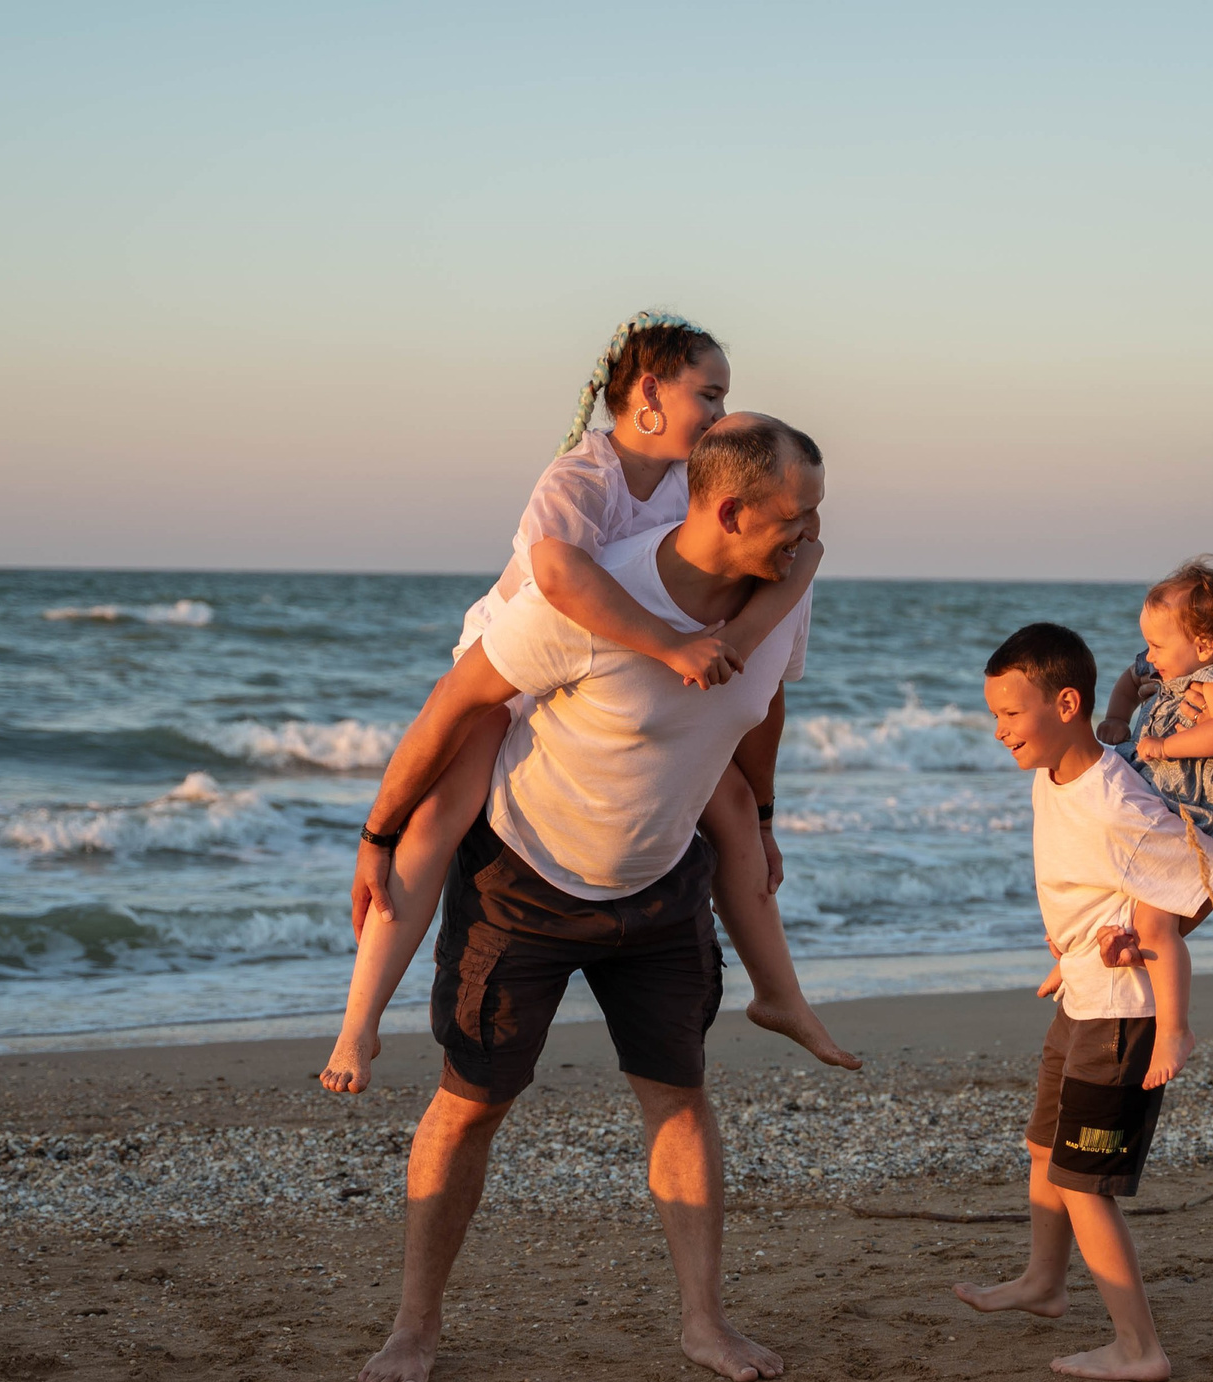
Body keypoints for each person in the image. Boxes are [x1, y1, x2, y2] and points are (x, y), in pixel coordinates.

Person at [351, 414, 826, 1382]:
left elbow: (763, 703)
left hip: (662, 885)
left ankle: (703, 1322)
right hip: (523, 881)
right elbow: (454, 703)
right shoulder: (593, 596)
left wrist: (762, 813)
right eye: (795, 515)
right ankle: (414, 1324)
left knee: (679, 1097)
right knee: (472, 1103)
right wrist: (380, 830)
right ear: (729, 508)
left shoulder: (783, 594)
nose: (812, 536)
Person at [319, 314, 857, 1095]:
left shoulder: (687, 483)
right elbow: (563, 580)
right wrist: (674, 647)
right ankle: (358, 1024)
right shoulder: (583, 475)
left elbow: (802, 560)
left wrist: (736, 639)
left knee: (736, 807)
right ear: (647, 393)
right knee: (439, 819)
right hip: (511, 661)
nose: (717, 414)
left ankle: (781, 995)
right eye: (707, 394)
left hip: (605, 673)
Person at [951, 623, 1213, 1382]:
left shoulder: (1117, 799)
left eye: (1011, 713)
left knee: (1085, 1184)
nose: (999, 729)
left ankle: (1139, 1346)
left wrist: (1147, 930)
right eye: (993, 715)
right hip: (1080, 994)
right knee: (1046, 1146)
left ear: (1065, 703)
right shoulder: (1055, 774)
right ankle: (1044, 1281)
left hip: (1123, 1012)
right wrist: (1082, 942)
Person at [1117, 558, 1213, 904]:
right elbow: (1129, 679)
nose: (1150, 656)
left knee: (1157, 890)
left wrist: (1166, 747)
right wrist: (1116, 716)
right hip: (1156, 791)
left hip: (1194, 808)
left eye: (1157, 646)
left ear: (1203, 647)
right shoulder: (1167, 666)